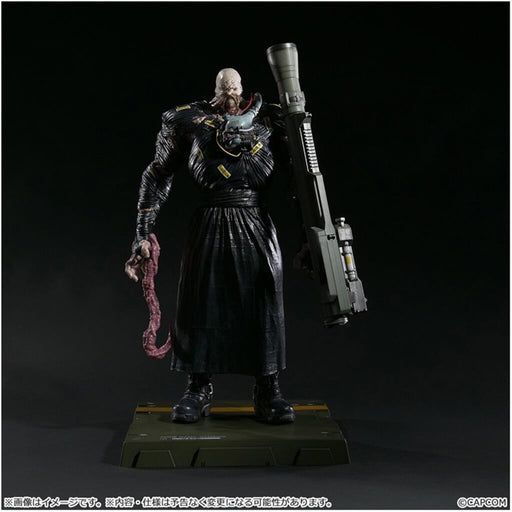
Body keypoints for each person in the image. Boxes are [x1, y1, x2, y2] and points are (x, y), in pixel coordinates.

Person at [125, 68, 295, 424]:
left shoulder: (269, 120)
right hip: (210, 222)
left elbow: (301, 179)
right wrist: (142, 232)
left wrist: (316, 237)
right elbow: (157, 173)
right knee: (200, 303)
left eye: (235, 88)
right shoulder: (188, 121)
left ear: (242, 89)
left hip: (256, 221)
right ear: (216, 89)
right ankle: (197, 388)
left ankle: (268, 388)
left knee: (264, 301)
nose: (230, 95)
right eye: (224, 88)